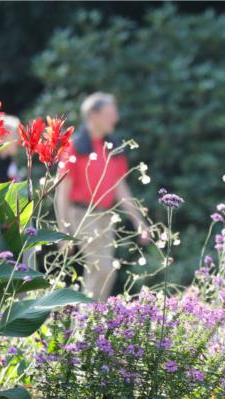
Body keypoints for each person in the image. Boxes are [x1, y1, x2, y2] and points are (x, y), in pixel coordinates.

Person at [55, 92, 151, 302]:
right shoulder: (75, 147)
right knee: (103, 268)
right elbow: (62, 191)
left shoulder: (113, 147)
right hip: (81, 214)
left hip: (105, 217)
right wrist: (63, 231)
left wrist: (139, 222)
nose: (115, 119)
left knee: (103, 271)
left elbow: (120, 188)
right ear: (93, 115)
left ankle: (87, 314)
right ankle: (87, 314)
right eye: (110, 114)